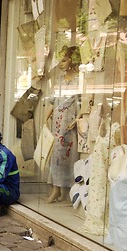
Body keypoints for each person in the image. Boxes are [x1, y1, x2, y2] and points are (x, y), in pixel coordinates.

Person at [45, 46, 81, 203]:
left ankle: (65, 190)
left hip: (69, 123)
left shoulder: (80, 80)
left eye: (64, 60)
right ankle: (56, 188)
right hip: (57, 124)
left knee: (68, 157)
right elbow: (54, 102)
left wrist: (77, 118)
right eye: (60, 60)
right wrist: (46, 117)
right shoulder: (59, 81)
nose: (61, 64)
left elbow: (82, 103)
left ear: (73, 61)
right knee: (56, 157)